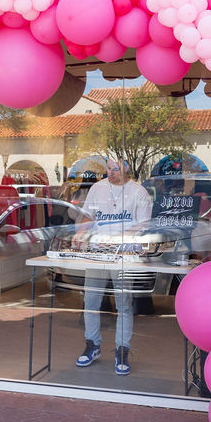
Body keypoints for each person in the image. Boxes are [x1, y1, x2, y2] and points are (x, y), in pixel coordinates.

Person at [71, 158, 153, 375]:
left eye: (116, 169)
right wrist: (81, 232)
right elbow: (88, 216)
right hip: (98, 253)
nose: (111, 172)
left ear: (127, 169)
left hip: (123, 255)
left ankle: (122, 349)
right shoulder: (97, 189)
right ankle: (92, 345)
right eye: (108, 168)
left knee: (123, 304)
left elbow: (144, 225)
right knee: (91, 301)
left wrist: (119, 238)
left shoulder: (139, 192)